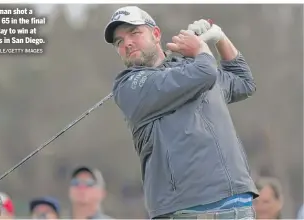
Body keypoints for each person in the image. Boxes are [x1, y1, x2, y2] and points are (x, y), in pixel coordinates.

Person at [104, 5, 258, 219]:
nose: (127, 43)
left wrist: (220, 37)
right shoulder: (129, 85)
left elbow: (244, 82)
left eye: (134, 33)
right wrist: (201, 49)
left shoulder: (193, 66)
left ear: (156, 34)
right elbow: (203, 72)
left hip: (238, 203)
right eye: (119, 42)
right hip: (184, 211)